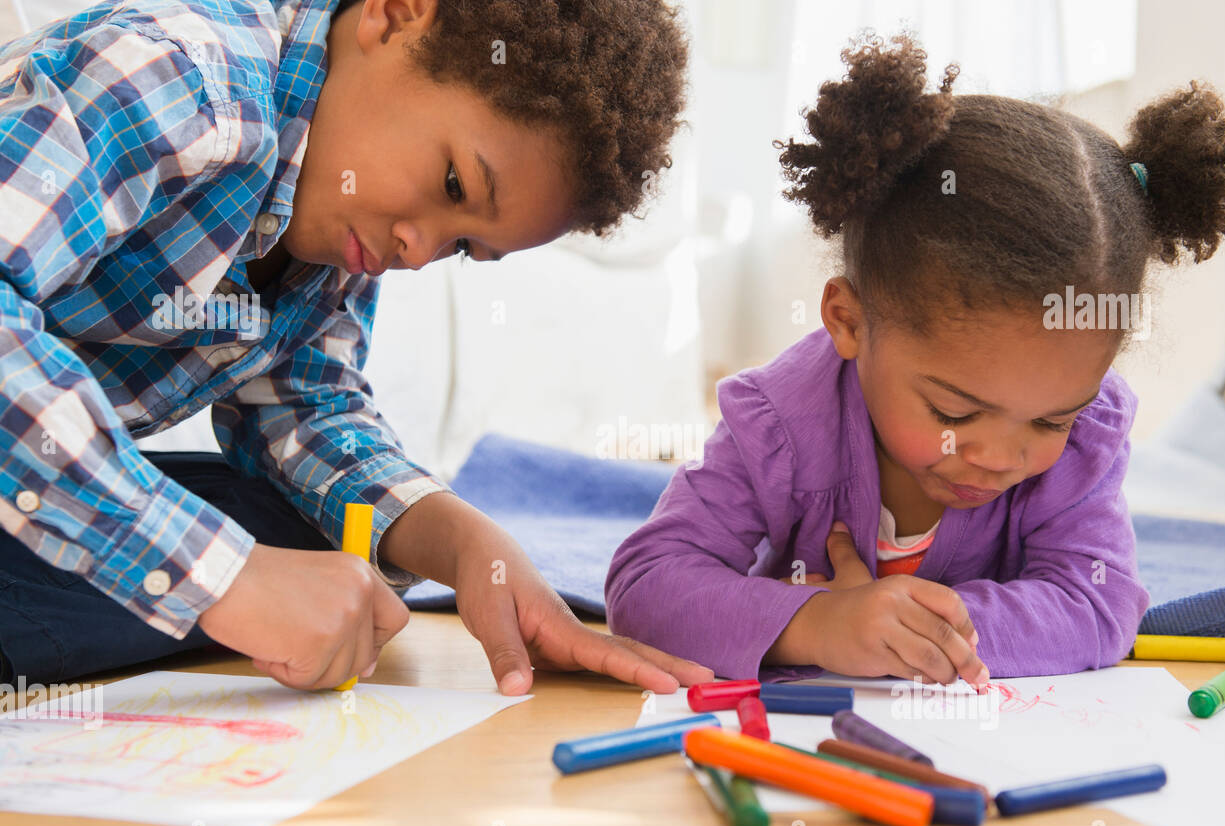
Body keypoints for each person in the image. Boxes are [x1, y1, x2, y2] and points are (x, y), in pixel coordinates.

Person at [0, 0, 713, 695]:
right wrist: (229, 580)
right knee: (247, 562)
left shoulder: (339, 226)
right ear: (396, 15)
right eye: (454, 182)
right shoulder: (181, 76)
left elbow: (304, 409)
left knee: (326, 546)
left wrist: (469, 548)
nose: (418, 247)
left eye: (463, 246)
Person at [606, 33, 1225, 682]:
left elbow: (1096, 600)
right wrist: (820, 624)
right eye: (955, 410)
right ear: (848, 322)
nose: (1001, 456)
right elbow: (648, 583)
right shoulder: (776, 423)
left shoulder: (1090, 432)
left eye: (1048, 422)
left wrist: (912, 626)